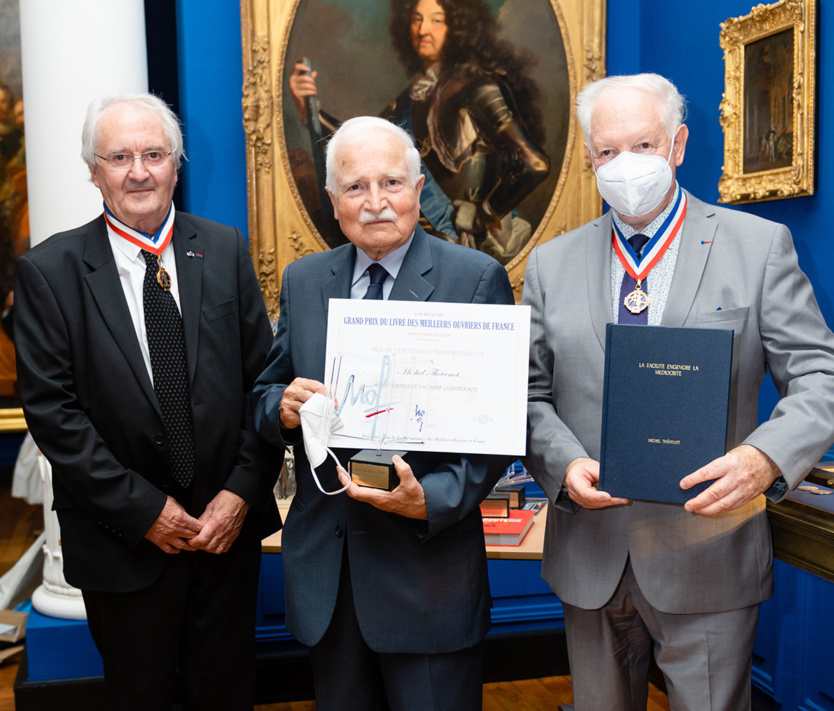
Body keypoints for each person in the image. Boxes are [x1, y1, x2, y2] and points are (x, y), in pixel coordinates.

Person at [523, 73, 834, 711]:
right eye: (607, 152)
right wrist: (562, 462)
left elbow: (820, 375)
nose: (624, 165)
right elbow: (527, 393)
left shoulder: (758, 247)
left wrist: (765, 457)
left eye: (643, 145)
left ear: (679, 144)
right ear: (587, 157)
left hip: (708, 552)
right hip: (590, 553)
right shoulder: (551, 264)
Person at [14, 93, 281, 711]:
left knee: (227, 695)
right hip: (124, 546)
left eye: (154, 154)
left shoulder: (224, 249)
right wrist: (145, 512)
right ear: (93, 170)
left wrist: (240, 493)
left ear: (176, 165)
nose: (139, 171)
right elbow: (56, 418)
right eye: (120, 156)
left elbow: (262, 384)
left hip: (225, 538)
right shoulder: (49, 272)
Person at [252, 115, 514, 711]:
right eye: (355, 187)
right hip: (329, 580)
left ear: (419, 190)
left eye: (391, 183)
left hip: (426, 577)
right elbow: (265, 394)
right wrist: (283, 408)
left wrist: (435, 498)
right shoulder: (305, 280)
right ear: (332, 200)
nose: (375, 203)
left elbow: (501, 423)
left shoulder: (474, 279)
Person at [288, 0, 549, 263]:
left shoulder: (481, 88)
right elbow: (362, 145)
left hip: (468, 248)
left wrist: (483, 213)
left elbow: (534, 163)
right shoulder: (410, 98)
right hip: (417, 249)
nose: (423, 30)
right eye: (416, 19)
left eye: (436, 20)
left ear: (458, 27)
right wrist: (310, 111)